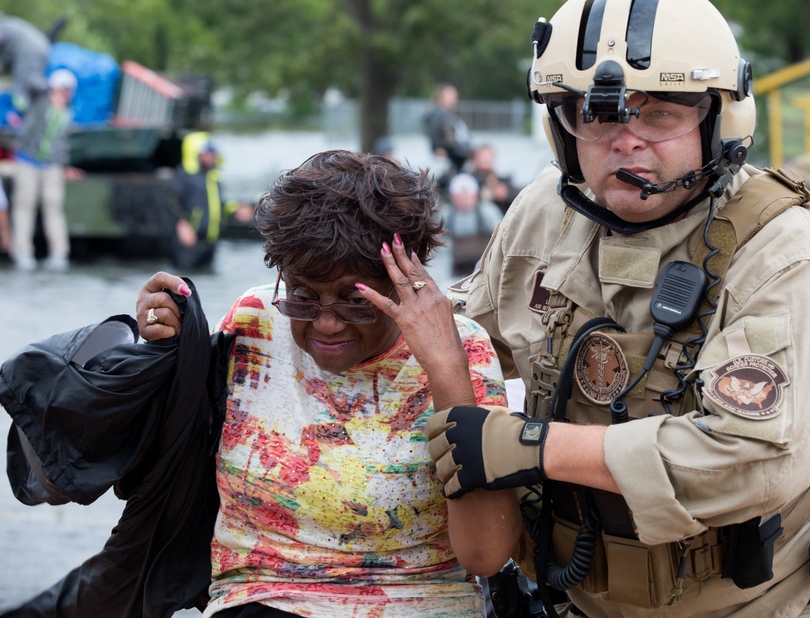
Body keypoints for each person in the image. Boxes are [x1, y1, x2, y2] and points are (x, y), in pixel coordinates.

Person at [428, 0, 810, 618]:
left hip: (777, 599)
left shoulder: (792, 253)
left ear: (718, 118)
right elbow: (469, 334)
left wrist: (532, 446)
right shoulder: (546, 212)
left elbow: (751, 462)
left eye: (660, 110)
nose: (626, 138)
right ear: (563, 127)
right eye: (596, 115)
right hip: (590, 593)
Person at [0, 150, 520, 617]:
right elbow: (171, 438)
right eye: (303, 295)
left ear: (408, 280)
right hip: (261, 594)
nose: (328, 322)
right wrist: (165, 349)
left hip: (418, 600)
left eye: (356, 299)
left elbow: (486, 554)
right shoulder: (253, 322)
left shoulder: (462, 350)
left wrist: (446, 373)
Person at [9, 68, 83, 271]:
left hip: (52, 165)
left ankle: (59, 253)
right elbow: (28, 85)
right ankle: (22, 251)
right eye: (61, 89)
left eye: (67, 90)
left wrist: (65, 166)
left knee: (53, 206)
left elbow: (63, 143)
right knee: (24, 205)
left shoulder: (67, 113)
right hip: (27, 160)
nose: (64, 94)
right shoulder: (39, 102)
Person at [170, 131, 253, 271]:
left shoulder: (214, 177)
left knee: (207, 275)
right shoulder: (184, 176)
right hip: (191, 240)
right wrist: (182, 225)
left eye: (214, 152)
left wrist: (235, 209)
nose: (212, 156)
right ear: (197, 154)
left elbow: (218, 204)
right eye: (208, 152)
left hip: (211, 240)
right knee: (184, 278)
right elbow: (172, 202)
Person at [441, 172, 504, 276]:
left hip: (484, 267)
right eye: (459, 195)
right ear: (452, 196)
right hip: (456, 268)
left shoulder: (488, 211)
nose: (464, 198)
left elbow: (501, 236)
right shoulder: (446, 214)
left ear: (475, 194)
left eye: (467, 194)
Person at [0, 12, 51, 123]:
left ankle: (19, 120)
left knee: (21, 88)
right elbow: (8, 55)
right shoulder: (13, 23)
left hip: (27, 53)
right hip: (43, 47)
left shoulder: (4, 28)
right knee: (33, 82)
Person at [422, 83, 474, 177]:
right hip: (446, 160)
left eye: (455, 96)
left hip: (458, 159)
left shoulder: (451, 115)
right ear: (440, 97)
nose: (454, 99)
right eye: (450, 96)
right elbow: (436, 134)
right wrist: (437, 146)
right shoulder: (435, 115)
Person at [465, 143, 522, 214]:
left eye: (489, 157)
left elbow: (519, 198)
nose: (486, 159)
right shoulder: (467, 180)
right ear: (474, 159)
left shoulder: (502, 181)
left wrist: (505, 194)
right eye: (483, 157)